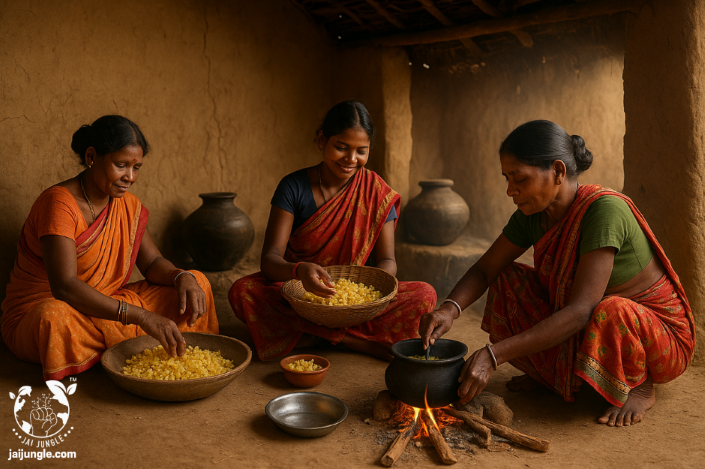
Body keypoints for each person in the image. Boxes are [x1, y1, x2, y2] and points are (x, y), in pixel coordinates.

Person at [419, 120, 695, 427]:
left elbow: (580, 311)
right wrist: (449, 309)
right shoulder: (534, 212)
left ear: (558, 172)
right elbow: (486, 269)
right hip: (592, 325)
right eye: (507, 178)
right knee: (509, 279)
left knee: (611, 309)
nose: (511, 190)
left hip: (657, 339)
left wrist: (494, 354)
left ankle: (640, 385)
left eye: (519, 178)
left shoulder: (603, 211)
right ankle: (548, 373)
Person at [1, 115, 219, 381]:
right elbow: (65, 287)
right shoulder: (58, 204)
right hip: (51, 311)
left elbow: (151, 264)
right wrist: (141, 318)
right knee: (53, 318)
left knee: (197, 282)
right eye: (121, 165)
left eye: (136, 167)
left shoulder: (127, 205)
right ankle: (129, 340)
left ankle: (123, 343)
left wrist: (180, 276)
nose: (129, 177)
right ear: (92, 156)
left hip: (107, 304)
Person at [229, 101, 436, 361]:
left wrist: (368, 292)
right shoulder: (293, 187)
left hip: (356, 296)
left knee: (425, 294)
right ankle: (353, 341)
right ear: (321, 141)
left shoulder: (375, 191)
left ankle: (316, 335)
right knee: (243, 291)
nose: (351, 160)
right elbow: (270, 260)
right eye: (341, 147)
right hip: (303, 293)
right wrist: (299, 270)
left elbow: (387, 260)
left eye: (361, 151)